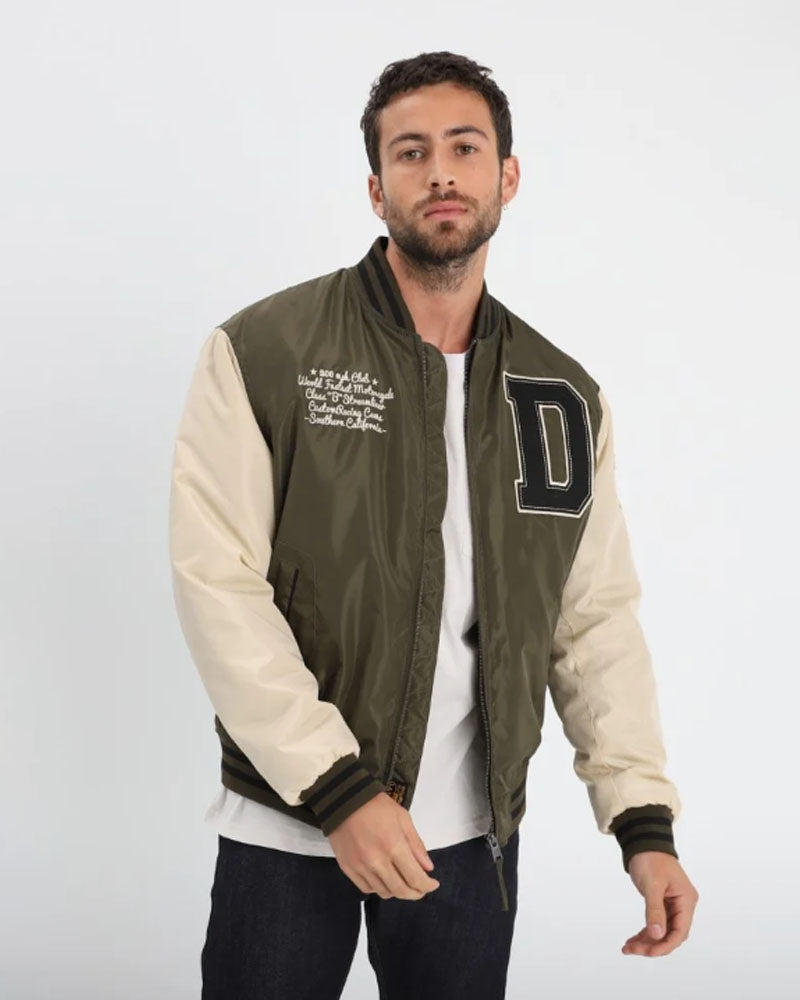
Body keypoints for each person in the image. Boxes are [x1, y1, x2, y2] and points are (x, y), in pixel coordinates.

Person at [168, 50, 699, 1000]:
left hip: (471, 844)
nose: (441, 173)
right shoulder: (266, 352)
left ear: (508, 175)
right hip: (292, 826)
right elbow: (219, 585)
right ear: (377, 189)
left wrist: (641, 820)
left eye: (465, 147)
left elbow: (590, 618)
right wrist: (338, 790)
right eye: (411, 152)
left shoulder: (559, 395)